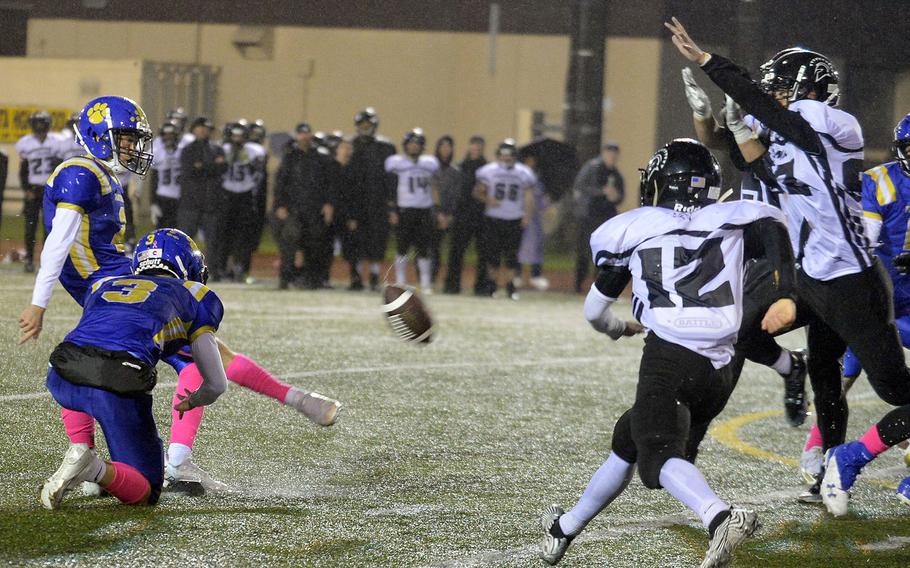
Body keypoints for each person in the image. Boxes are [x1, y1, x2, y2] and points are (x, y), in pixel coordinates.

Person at [18, 96, 342, 492]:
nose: (132, 148)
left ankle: (91, 463)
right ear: (98, 135)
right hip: (112, 286)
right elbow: (57, 241)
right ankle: (177, 459)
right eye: (125, 139)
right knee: (198, 357)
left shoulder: (100, 175)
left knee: (78, 363)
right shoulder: (82, 172)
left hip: (106, 287)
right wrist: (39, 302)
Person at [666, 19, 910, 505]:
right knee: (824, 372)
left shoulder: (832, 124)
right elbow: (755, 163)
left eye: (779, 86)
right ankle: (835, 465)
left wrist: (709, 62)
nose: (772, 94)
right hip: (815, 275)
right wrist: (727, 125)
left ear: (804, 89)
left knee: (894, 389)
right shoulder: (791, 135)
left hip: (850, 274)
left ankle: (847, 457)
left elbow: (766, 114)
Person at [540, 139, 796, 567]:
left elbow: (594, 311)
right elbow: (776, 231)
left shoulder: (637, 226)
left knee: (656, 457)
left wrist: (619, 327)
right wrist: (785, 290)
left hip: (669, 359)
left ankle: (720, 518)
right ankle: (563, 529)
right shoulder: (735, 218)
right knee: (628, 440)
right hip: (719, 370)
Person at [39, 228, 227, 509]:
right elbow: (216, 383)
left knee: (83, 367)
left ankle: (84, 449)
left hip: (62, 370)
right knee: (145, 491)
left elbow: (93, 341)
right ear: (185, 264)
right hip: (118, 377)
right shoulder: (196, 294)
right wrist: (195, 399)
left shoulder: (105, 284)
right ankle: (91, 468)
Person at [820, 113, 910, 513]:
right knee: (844, 375)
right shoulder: (879, 182)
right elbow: (867, 245)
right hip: (885, 299)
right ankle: (824, 453)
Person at [272, 122, 334, 289]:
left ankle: (311, 279)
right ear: (297, 135)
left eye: (306, 133)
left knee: (314, 244)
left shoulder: (320, 158)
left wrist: (328, 204)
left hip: (314, 208)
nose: (304, 137)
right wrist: (280, 205)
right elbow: (281, 183)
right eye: (301, 133)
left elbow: (328, 183)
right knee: (290, 242)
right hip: (293, 208)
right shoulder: (290, 157)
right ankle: (286, 278)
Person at [475, 139, 536, 300]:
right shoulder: (489, 171)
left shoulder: (523, 172)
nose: (507, 158)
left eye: (509, 155)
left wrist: (527, 216)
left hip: (514, 218)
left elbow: (529, 197)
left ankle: (510, 287)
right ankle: (492, 286)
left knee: (511, 256)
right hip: (494, 218)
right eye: (504, 155)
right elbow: (477, 192)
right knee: (493, 255)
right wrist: (489, 199)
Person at [385, 129, 441, 291]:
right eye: (411, 144)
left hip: (424, 210)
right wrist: (392, 210)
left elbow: (435, 186)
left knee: (423, 248)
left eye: (417, 144)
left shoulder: (429, 163)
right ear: (405, 146)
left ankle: (424, 282)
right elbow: (391, 187)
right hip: (405, 209)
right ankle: (401, 281)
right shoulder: (396, 163)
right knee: (402, 246)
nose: (414, 147)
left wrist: (438, 209)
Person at [212, 121, 266, 283]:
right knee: (223, 234)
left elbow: (258, 174)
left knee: (244, 236)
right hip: (226, 194)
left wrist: (247, 162)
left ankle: (242, 269)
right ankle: (221, 269)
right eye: (234, 136)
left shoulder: (254, 151)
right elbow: (216, 172)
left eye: (240, 136)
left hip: (245, 194)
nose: (237, 139)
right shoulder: (222, 149)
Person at [350, 108, 396, 290]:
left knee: (377, 240)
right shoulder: (350, 145)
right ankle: (357, 277)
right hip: (356, 201)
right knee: (356, 241)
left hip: (378, 201)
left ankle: (375, 276)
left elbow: (392, 178)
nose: (365, 128)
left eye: (368, 125)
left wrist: (391, 204)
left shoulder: (386, 147)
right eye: (363, 125)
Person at [571, 143, 624, 293]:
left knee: (605, 252)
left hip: (606, 218)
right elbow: (580, 188)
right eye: (610, 153)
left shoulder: (616, 174)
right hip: (588, 216)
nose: (612, 157)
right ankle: (578, 285)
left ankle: (598, 286)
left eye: (615, 155)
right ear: (604, 153)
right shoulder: (592, 168)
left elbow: (620, 195)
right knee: (584, 251)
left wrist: (616, 196)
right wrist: (602, 191)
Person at [15, 111, 61, 272]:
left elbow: (58, 167)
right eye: (38, 123)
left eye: (43, 123)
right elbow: (23, 169)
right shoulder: (25, 143)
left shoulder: (56, 143)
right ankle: (29, 258)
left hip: (49, 189)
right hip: (33, 190)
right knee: (30, 226)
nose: (40, 127)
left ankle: (47, 259)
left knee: (49, 226)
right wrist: (26, 188)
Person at [444, 135, 488, 294]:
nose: (475, 150)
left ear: (483, 149)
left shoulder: (488, 168)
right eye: (473, 147)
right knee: (456, 252)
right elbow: (454, 192)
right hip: (462, 215)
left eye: (478, 148)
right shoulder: (460, 167)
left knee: (484, 253)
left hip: (482, 216)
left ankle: (482, 287)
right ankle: (452, 285)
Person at [178, 116, 226, 256]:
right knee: (186, 239)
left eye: (206, 128)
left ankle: (214, 270)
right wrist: (212, 165)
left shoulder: (217, 149)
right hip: (191, 202)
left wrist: (202, 166)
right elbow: (190, 171)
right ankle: (184, 268)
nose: (203, 131)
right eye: (200, 128)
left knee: (213, 240)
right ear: (194, 130)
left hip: (211, 202)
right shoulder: (188, 150)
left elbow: (222, 169)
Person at [331, 137, 365, 290]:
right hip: (331, 213)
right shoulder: (330, 167)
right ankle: (322, 277)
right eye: (343, 147)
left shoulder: (354, 170)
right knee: (325, 247)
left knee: (351, 248)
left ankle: (355, 278)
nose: (347, 150)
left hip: (347, 215)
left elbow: (356, 196)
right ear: (337, 149)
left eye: (348, 148)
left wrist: (353, 217)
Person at [430, 135, 460, 285]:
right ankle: (428, 279)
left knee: (444, 250)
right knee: (428, 249)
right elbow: (431, 192)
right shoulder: (431, 168)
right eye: (442, 146)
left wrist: (449, 216)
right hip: (432, 215)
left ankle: (442, 281)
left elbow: (456, 195)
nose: (445, 150)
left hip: (448, 216)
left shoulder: (455, 171)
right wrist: (438, 213)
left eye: (448, 146)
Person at [518, 153, 550, 290]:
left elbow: (542, 202)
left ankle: (536, 275)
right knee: (518, 246)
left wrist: (546, 204)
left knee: (537, 247)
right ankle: (516, 275)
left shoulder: (538, 182)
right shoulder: (518, 179)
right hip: (520, 217)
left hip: (535, 220)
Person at [149, 122, 183, 229]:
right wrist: (153, 202)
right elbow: (154, 178)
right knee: (161, 229)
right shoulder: (157, 152)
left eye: (171, 134)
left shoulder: (183, 151)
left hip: (179, 196)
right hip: (162, 197)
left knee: (176, 230)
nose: (169, 137)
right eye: (166, 134)